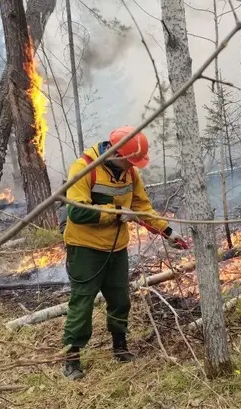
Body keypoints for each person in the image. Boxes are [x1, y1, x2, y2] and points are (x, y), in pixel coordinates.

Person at [61, 126, 188, 380]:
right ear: (117, 154)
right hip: (85, 250)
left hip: (117, 249)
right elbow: (76, 211)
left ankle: (120, 348)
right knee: (82, 303)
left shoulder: (129, 173)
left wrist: (167, 232)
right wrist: (117, 214)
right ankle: (72, 359)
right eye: (131, 161)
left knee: (120, 301)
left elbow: (141, 206)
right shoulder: (84, 168)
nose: (134, 166)